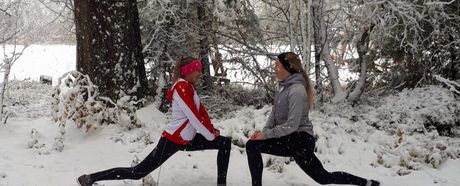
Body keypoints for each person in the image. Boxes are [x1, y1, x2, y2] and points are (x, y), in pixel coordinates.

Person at [77, 57, 231, 186]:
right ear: (188, 71)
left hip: (187, 139)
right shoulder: (181, 88)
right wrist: (210, 136)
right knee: (137, 173)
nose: (199, 72)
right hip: (172, 140)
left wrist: (211, 130)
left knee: (224, 143)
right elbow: (193, 117)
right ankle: (90, 178)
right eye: (197, 69)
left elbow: (201, 112)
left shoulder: (189, 87)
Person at [245, 52, 380, 186]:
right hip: (289, 139)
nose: (275, 68)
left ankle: (365, 182)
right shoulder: (282, 90)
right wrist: (263, 133)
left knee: (324, 178)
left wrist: (266, 135)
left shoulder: (297, 90)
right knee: (324, 178)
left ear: (288, 67)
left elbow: (292, 125)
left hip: (301, 141)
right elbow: (273, 116)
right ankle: (366, 183)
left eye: (277, 65)